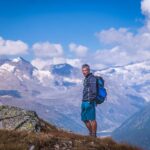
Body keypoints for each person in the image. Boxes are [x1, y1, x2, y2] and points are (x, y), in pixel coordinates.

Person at [81, 64, 97, 137]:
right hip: (84, 101)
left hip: (89, 102)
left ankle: (93, 135)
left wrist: (90, 100)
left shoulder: (92, 78)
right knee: (84, 118)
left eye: (85, 70)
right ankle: (91, 133)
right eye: (83, 70)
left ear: (88, 70)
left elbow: (94, 91)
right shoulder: (86, 78)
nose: (84, 72)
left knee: (92, 119)